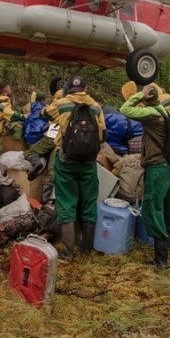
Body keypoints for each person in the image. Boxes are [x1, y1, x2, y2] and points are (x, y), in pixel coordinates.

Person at [121, 83, 170, 269]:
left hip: (157, 168)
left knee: (153, 208)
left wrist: (138, 95)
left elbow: (125, 109)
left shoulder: (152, 114)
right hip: (169, 168)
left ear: (147, 99)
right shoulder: (164, 111)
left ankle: (161, 260)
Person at [41, 75, 105, 261]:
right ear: (86, 88)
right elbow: (103, 136)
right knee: (89, 203)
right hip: (88, 164)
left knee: (66, 204)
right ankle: (86, 248)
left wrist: (59, 95)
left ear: (70, 89)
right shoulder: (96, 107)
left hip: (66, 162)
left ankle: (68, 252)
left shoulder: (61, 103)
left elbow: (43, 113)